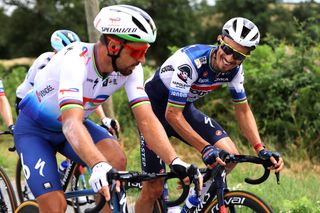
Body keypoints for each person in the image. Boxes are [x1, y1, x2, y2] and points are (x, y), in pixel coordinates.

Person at [14, 5, 202, 213]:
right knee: (56, 207)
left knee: (116, 159)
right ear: (113, 46)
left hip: (71, 128)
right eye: (137, 51)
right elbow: (70, 122)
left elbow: (147, 119)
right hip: (35, 131)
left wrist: (174, 160)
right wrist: (97, 164)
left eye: (145, 51)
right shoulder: (76, 60)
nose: (141, 60)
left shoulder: (131, 69)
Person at [137, 17, 284, 209]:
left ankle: (192, 203)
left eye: (239, 56)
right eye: (228, 50)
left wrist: (260, 148)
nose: (230, 59)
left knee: (229, 157)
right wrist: (205, 148)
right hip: (153, 112)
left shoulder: (235, 71)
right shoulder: (190, 63)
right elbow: (171, 115)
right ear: (219, 41)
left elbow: (243, 110)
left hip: (183, 109)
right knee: (153, 188)